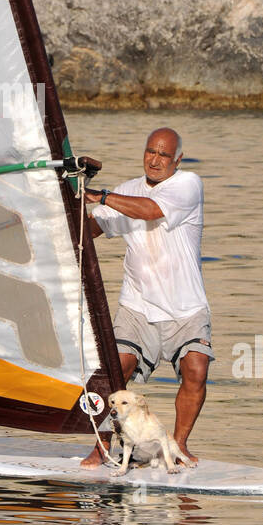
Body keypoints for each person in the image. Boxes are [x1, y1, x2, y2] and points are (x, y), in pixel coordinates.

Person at [81, 127, 213, 468]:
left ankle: (178, 445)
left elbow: (151, 210)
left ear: (178, 160)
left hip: (186, 307)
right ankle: (102, 446)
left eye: (164, 155)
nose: (155, 160)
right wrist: (66, 207)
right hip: (137, 307)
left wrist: (101, 196)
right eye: (150, 152)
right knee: (114, 374)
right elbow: (91, 229)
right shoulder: (126, 191)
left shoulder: (188, 184)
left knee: (196, 369)